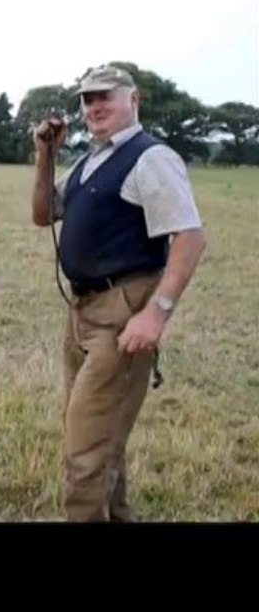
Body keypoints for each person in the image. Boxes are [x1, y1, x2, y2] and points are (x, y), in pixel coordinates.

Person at [30, 64, 207, 522]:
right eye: (88, 99)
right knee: (98, 437)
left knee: (85, 453)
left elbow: (190, 238)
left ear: (135, 100)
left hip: (122, 313)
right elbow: (44, 213)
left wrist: (156, 314)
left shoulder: (152, 158)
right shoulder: (91, 159)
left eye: (106, 96)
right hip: (82, 310)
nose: (94, 106)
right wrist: (45, 155)